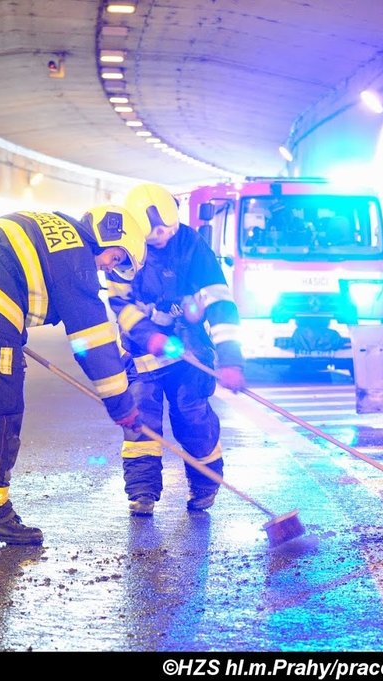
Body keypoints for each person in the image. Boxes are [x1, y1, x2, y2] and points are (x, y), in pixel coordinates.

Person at [0, 206, 148, 545]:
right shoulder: (77, 258)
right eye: (116, 258)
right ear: (110, 234)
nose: (110, 267)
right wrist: (122, 407)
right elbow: (94, 343)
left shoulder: (54, 228)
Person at [106, 182, 245, 517]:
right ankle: (142, 492)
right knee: (142, 422)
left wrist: (230, 359)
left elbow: (220, 304)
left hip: (189, 354)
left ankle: (205, 486)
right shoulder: (124, 249)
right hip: (144, 355)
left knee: (193, 417)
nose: (163, 237)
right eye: (154, 233)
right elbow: (120, 303)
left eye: (168, 228)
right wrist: (148, 335)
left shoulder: (192, 246)